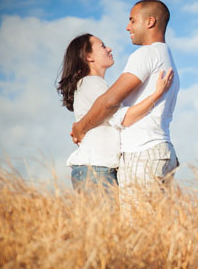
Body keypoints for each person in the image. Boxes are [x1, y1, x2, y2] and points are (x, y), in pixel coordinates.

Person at [70, 0, 180, 208]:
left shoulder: (146, 53)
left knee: (135, 231)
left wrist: (80, 128)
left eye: (132, 20)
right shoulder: (165, 55)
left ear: (149, 22)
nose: (128, 27)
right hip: (159, 151)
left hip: (143, 154)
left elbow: (110, 102)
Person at [57, 33, 173, 192]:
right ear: (88, 56)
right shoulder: (92, 82)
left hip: (97, 169)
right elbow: (124, 118)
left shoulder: (90, 84)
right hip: (96, 170)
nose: (109, 48)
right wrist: (157, 94)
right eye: (102, 46)